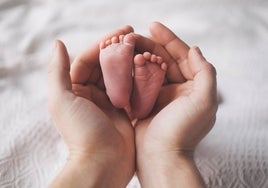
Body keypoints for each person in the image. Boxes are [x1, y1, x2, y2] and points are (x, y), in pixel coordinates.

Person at [48, 22, 217, 188]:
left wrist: (95, 154)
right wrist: (166, 153)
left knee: (127, 93)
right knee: (153, 87)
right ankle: (138, 102)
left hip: (106, 130)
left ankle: (119, 94)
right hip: (158, 123)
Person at [99, 33, 167, 119]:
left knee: (122, 103)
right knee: (138, 112)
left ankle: (117, 96)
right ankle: (139, 107)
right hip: (147, 120)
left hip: (111, 116)